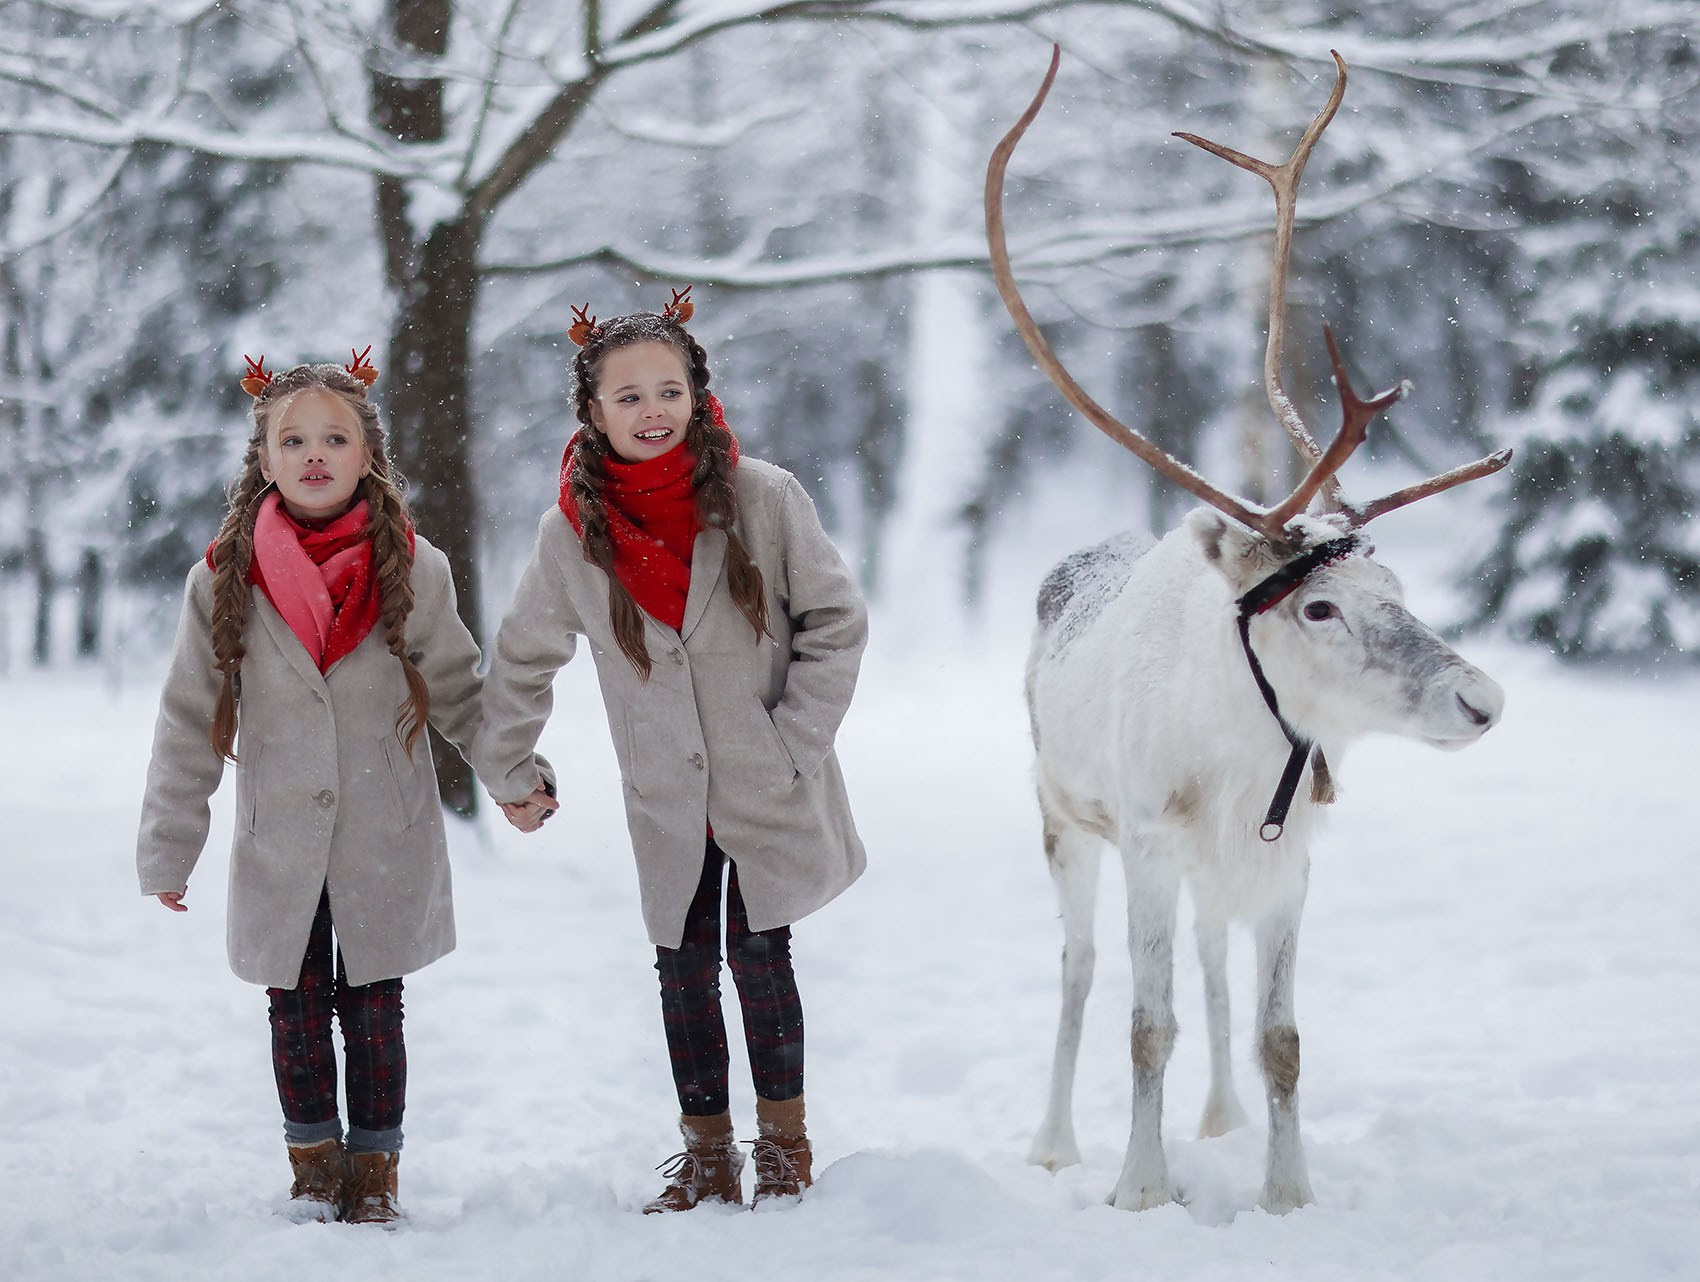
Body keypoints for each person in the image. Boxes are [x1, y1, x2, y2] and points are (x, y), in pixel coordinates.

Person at [135, 350, 553, 1226]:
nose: (314, 453)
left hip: (382, 831)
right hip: (279, 835)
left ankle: (375, 1174)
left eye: (335, 437)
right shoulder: (224, 579)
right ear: (265, 459)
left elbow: (461, 690)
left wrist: (514, 778)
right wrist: (171, 845)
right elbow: (187, 719)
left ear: (369, 456)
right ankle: (314, 1163)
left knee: (373, 1009)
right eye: (293, 439)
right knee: (294, 1008)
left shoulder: (413, 566)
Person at [475, 288, 868, 1212]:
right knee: (684, 963)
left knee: (759, 954)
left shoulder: (762, 497)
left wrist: (792, 742)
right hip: (666, 794)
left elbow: (836, 623)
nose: (652, 411)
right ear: (592, 410)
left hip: (767, 778)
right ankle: (705, 1154)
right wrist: (510, 766)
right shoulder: (572, 534)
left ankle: (783, 1147)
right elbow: (525, 655)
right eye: (628, 397)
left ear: (697, 395)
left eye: (669, 391)